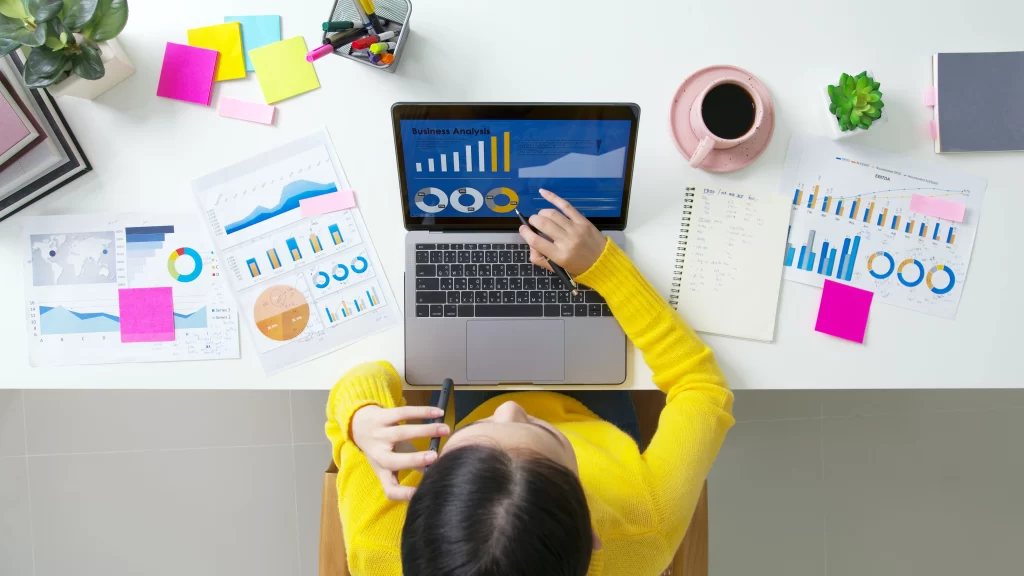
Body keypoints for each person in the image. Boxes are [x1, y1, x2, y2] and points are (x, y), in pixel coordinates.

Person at [325, 189, 735, 576]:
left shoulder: (380, 543)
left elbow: (360, 380)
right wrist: (605, 269)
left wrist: (363, 419)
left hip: (468, 398)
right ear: (592, 532)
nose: (509, 408)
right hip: (595, 414)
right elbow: (702, 387)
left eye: (479, 435)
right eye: (544, 433)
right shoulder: (646, 530)